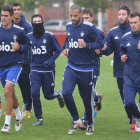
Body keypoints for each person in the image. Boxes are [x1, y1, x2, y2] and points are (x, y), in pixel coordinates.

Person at [62, 4, 103, 135]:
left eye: (75, 15)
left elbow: (100, 44)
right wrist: (66, 47)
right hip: (71, 66)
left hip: (86, 69)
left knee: (86, 99)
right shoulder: (69, 26)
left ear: (80, 14)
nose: (73, 18)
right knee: (66, 93)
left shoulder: (90, 27)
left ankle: (90, 123)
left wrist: (87, 45)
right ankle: (76, 120)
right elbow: (67, 40)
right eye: (71, 15)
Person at [102, 6, 136, 132]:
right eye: (119, 14)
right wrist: (103, 50)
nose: (121, 16)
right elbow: (107, 50)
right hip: (120, 72)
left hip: (136, 71)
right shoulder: (112, 32)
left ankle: (135, 121)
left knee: (131, 100)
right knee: (126, 101)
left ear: (128, 16)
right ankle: (132, 120)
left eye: (123, 14)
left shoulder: (135, 30)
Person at [28, 14, 65, 126]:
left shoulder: (49, 35)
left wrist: (50, 61)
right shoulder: (28, 36)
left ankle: (58, 94)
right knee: (34, 92)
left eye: (39, 21)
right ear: (32, 23)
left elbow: (59, 50)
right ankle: (39, 118)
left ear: (43, 22)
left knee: (48, 96)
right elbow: (24, 49)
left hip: (48, 70)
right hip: (34, 69)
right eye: (35, 21)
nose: (37, 23)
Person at [0, 5, 31, 133]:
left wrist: (20, 48)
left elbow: (28, 45)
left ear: (12, 17)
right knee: (11, 93)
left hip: (15, 65)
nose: (3, 18)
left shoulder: (18, 31)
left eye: (6, 16)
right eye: (2, 16)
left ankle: (7, 124)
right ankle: (18, 114)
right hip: (2, 67)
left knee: (7, 92)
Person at [79, 8, 104, 130]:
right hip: (79, 67)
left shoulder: (98, 32)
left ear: (92, 18)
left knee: (87, 94)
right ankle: (97, 98)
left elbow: (104, 46)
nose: (85, 20)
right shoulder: (77, 30)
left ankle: (85, 120)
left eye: (87, 18)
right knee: (85, 92)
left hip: (93, 66)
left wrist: (100, 50)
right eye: (83, 18)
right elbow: (68, 43)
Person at [11, 2, 33, 119]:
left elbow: (30, 44)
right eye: (14, 9)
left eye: (18, 9)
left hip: (25, 61)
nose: (16, 11)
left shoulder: (27, 26)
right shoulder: (7, 25)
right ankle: (18, 108)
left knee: (26, 87)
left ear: (21, 11)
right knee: (14, 86)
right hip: (11, 61)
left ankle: (28, 109)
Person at [120, 12, 140, 132]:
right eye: (131, 23)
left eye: (135, 22)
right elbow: (122, 49)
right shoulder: (126, 36)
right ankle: (138, 117)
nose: (133, 25)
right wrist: (122, 55)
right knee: (128, 103)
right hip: (129, 76)